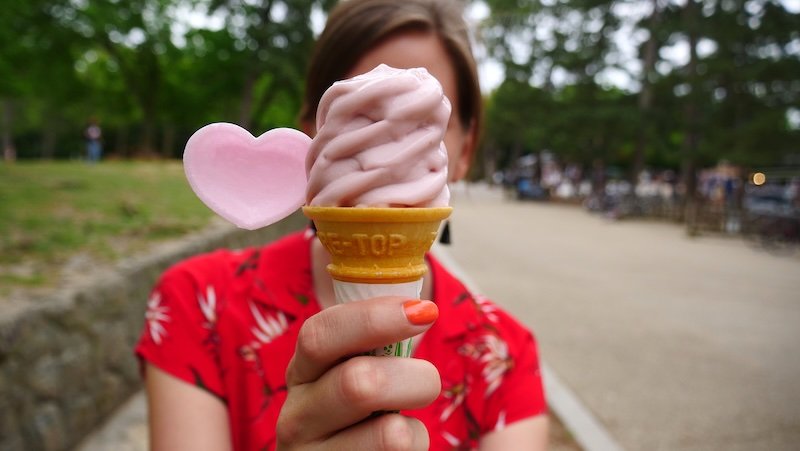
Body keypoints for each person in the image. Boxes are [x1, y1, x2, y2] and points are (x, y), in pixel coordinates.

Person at [135, 0, 549, 450]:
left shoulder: (504, 357)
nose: (389, 147)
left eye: (420, 119)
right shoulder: (199, 304)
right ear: (310, 139)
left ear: (465, 150)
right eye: (360, 116)